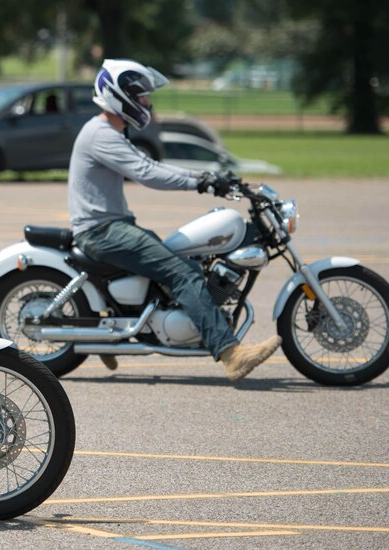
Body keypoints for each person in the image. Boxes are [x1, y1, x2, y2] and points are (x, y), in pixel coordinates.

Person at [68, 59, 281, 382]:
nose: (147, 104)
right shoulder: (101, 134)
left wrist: (207, 178)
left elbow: (149, 164)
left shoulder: (108, 131)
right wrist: (203, 182)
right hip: (103, 232)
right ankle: (231, 354)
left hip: (111, 227)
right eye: (140, 97)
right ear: (119, 94)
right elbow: (148, 173)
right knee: (182, 275)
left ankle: (109, 333)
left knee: (187, 263)